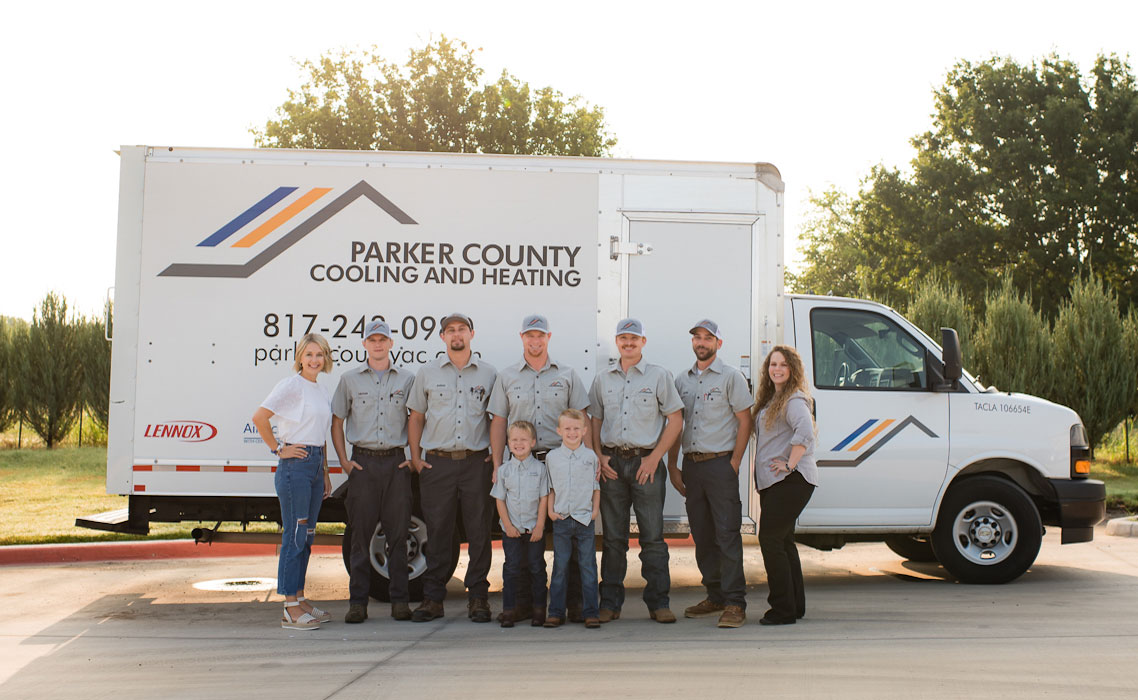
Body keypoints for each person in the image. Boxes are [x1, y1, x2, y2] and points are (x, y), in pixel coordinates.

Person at [487, 313, 590, 623]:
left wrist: (590, 461)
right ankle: (521, 605)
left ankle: (571, 604)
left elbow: (582, 421)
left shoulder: (568, 375)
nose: (535, 341)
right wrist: (496, 463)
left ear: (548, 338)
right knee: (521, 536)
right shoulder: (506, 377)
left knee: (567, 532)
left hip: (561, 463)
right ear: (522, 338)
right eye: (529, 335)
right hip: (521, 464)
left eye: (540, 335)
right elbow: (499, 422)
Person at [589, 318, 684, 623]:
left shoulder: (659, 376)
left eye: (634, 338)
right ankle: (610, 604)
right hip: (613, 465)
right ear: (616, 342)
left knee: (652, 537)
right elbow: (595, 421)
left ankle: (659, 603)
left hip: (647, 464)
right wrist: (599, 457)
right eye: (623, 338)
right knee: (614, 539)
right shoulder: (603, 379)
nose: (628, 343)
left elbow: (676, 420)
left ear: (644, 342)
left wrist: (656, 457)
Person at [406, 312, 498, 623]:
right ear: (442, 337)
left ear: (472, 333)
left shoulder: (488, 374)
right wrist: (416, 458)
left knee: (479, 532)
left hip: (476, 464)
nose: (456, 335)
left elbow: (496, 420)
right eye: (450, 330)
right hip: (438, 464)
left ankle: (479, 598)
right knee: (439, 532)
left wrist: (495, 459)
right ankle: (433, 599)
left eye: (461, 329)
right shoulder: (428, 373)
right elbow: (416, 416)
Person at [666, 320, 754, 628]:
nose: (702, 342)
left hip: (720, 465)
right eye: (697, 338)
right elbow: (676, 426)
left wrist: (735, 462)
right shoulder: (681, 381)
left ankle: (734, 603)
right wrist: (672, 465)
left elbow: (746, 421)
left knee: (726, 534)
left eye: (708, 338)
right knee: (702, 536)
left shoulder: (731, 377)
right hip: (692, 466)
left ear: (718, 343)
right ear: (692, 343)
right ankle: (715, 596)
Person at [330, 319, 415, 624]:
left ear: (391, 343)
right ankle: (357, 604)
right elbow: (337, 421)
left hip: (395, 465)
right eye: (372, 340)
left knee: (398, 535)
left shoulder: (407, 380)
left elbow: (418, 419)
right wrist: (343, 461)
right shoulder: (350, 380)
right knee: (360, 538)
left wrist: (413, 458)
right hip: (363, 465)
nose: (378, 344)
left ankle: (400, 602)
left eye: (383, 339)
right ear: (364, 344)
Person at [251, 333, 334, 630]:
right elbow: (260, 417)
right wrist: (278, 448)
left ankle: (299, 598)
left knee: (307, 535)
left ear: (325, 358)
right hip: (295, 467)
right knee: (295, 535)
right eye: (309, 354)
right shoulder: (291, 386)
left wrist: (324, 473)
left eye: (319, 355)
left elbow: (321, 435)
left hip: (314, 466)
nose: (314, 359)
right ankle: (289, 608)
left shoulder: (321, 390)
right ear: (300, 357)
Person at [752, 345, 819, 625]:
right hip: (776, 483)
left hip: (790, 481)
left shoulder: (793, 399)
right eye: (772, 365)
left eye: (782, 365)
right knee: (783, 541)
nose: (776, 369)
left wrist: (790, 464)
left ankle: (782, 609)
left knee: (769, 540)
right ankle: (795, 605)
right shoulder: (774, 399)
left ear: (792, 370)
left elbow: (806, 432)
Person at [489, 420, 550, 628]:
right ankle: (509, 609)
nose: (518, 443)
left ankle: (539, 610)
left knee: (536, 568)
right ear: (507, 443)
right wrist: (507, 525)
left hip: (534, 529)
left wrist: (540, 525)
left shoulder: (541, 470)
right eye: (514, 439)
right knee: (512, 568)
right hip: (512, 529)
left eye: (523, 439)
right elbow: (500, 499)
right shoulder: (504, 471)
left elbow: (544, 498)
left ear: (533, 442)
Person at [544, 409, 601, 629]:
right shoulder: (552, 458)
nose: (572, 432)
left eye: (577, 428)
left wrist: (594, 511)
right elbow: (550, 488)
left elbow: (596, 487)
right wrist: (550, 512)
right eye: (567, 428)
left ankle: (591, 612)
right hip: (561, 519)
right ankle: (556, 612)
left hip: (585, 520)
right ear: (559, 431)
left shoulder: (590, 457)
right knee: (560, 566)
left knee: (588, 567)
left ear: (584, 431)